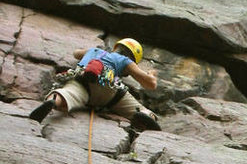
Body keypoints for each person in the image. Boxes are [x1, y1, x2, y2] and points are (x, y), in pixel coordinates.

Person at [29, 38, 161, 130]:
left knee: (67, 93)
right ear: (133, 57)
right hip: (109, 91)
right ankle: (145, 116)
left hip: (83, 82)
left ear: (117, 47)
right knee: (138, 108)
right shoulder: (125, 60)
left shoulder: (94, 51)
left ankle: (54, 101)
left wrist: (91, 53)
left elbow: (76, 53)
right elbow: (150, 84)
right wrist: (152, 75)